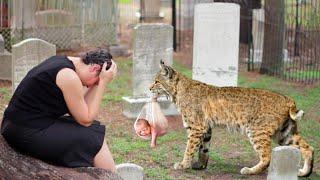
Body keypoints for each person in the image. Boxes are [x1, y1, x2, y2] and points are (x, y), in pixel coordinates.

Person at [1, 48, 117, 172]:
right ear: (94, 69)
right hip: (25, 132)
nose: (95, 85)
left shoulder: (64, 62)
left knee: (93, 130)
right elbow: (86, 120)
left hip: (20, 125)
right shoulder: (68, 76)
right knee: (93, 137)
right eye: (97, 81)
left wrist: (98, 82)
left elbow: (83, 111)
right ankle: (112, 176)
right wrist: (103, 83)